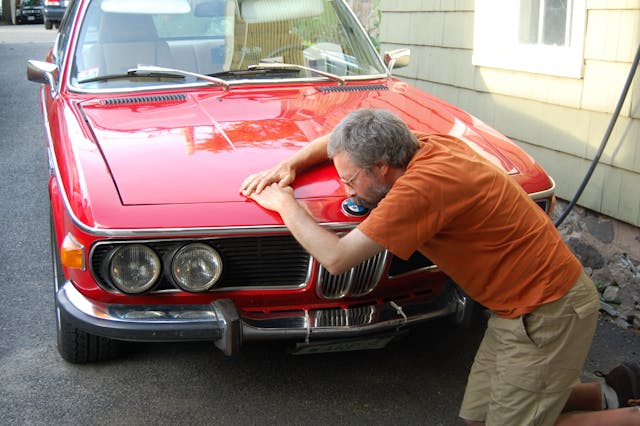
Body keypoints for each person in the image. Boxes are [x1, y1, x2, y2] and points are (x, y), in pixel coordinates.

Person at [240, 108, 640, 425]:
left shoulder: (422, 189)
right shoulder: (419, 143)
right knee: (477, 418)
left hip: (549, 311)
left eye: (349, 180)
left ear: (381, 168)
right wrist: (291, 163)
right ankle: (613, 390)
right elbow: (338, 138)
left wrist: (285, 202)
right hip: (515, 309)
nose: (347, 190)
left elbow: (337, 259)